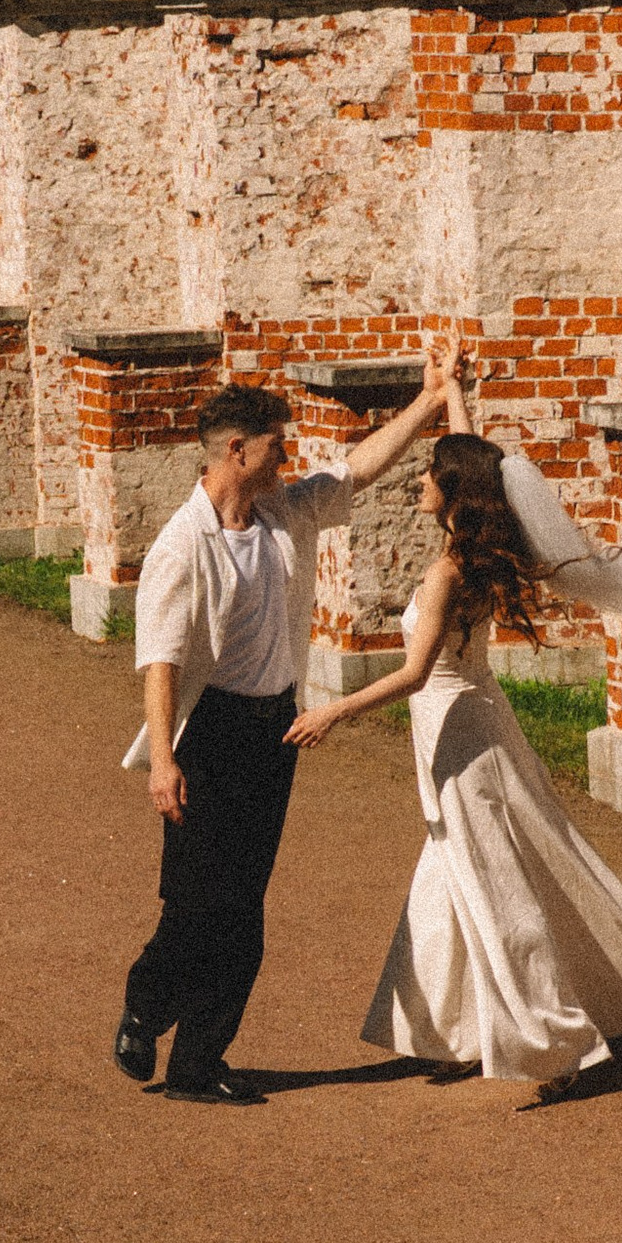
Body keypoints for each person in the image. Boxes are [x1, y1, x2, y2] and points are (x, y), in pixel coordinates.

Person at [285, 361, 622, 1092]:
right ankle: (448, 1027)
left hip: (458, 736)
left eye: (428, 477)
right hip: (475, 722)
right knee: (454, 877)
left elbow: (415, 675)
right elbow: (473, 457)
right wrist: (449, 387)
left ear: (452, 495)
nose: (418, 483)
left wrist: (333, 711)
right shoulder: (477, 543)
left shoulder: (450, 572)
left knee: (494, 885)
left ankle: (556, 1041)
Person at [115, 357, 449, 1102]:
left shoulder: (285, 511)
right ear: (238, 450)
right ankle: (147, 1004)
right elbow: (161, 661)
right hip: (209, 735)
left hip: (274, 734)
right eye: (276, 445)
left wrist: (429, 401)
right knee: (198, 902)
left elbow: (355, 470)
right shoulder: (180, 547)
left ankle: (197, 1064)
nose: (288, 457)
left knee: (242, 908)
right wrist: (164, 761)